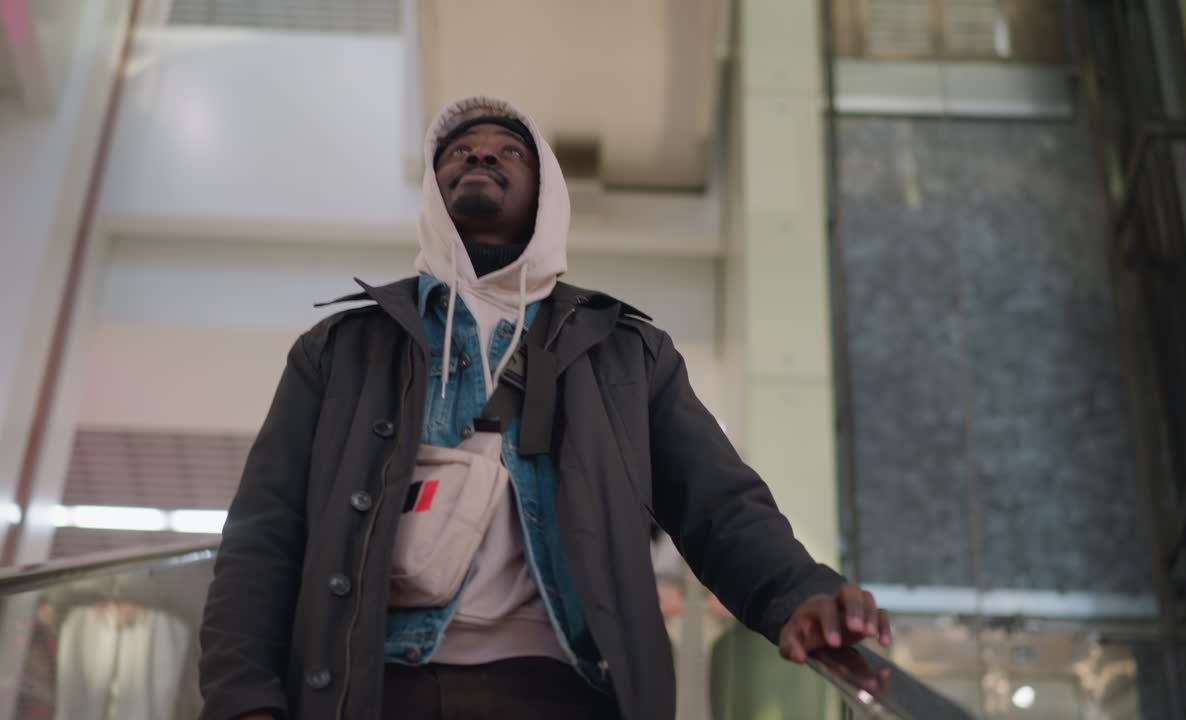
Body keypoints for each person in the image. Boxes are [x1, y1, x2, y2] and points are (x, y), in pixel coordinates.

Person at [198, 95, 891, 720]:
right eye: (460, 152)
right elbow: (265, 530)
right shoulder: (345, 346)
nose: (481, 158)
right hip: (375, 687)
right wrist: (242, 696)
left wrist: (799, 592)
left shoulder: (624, 351)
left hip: (567, 689)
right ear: (433, 191)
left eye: (508, 151)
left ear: (546, 190)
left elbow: (718, 504)